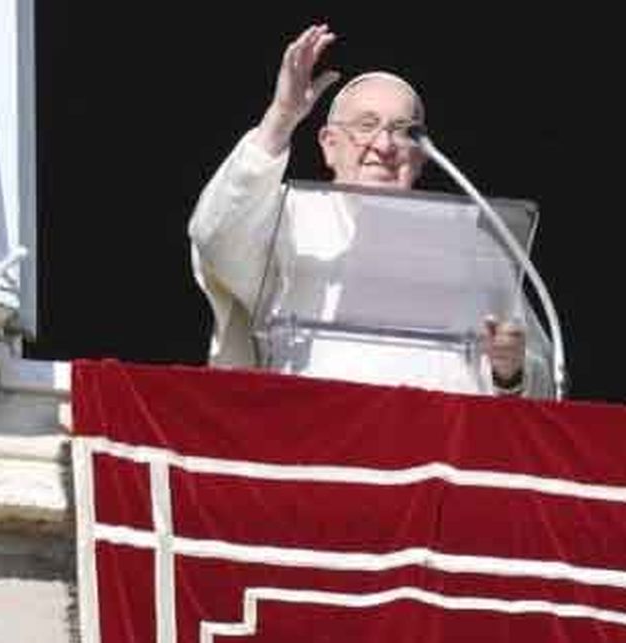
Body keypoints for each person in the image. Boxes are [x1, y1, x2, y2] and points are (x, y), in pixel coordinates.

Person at [187, 23, 552, 398]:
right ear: (329, 145)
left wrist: (511, 373)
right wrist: (281, 118)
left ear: (421, 156)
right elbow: (216, 236)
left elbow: (543, 379)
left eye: (403, 131)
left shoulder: (474, 246)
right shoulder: (288, 218)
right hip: (320, 436)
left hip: (441, 448)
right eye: (366, 125)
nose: (384, 144)